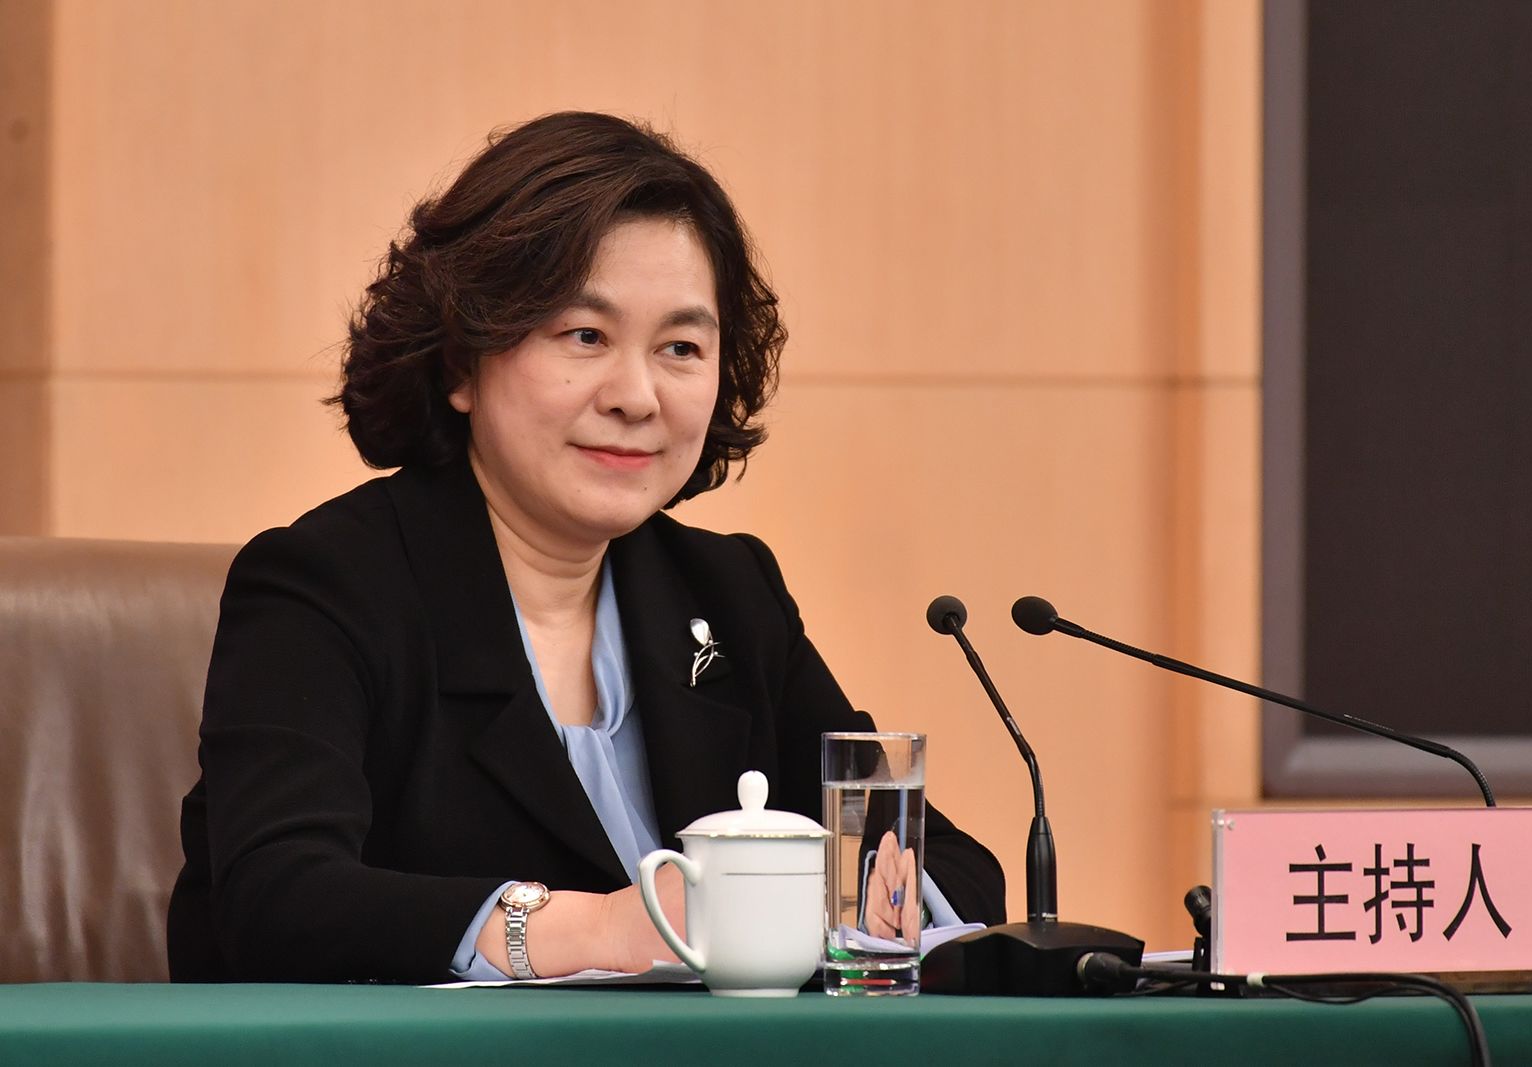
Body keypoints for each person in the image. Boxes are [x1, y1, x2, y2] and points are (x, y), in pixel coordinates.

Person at [167, 111, 1004, 983]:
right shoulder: (327, 584)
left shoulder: (726, 593)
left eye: (680, 347)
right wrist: (601, 929)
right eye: (585, 336)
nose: (637, 395)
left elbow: (947, 867)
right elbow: (278, 900)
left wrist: (826, 910)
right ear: (462, 361)